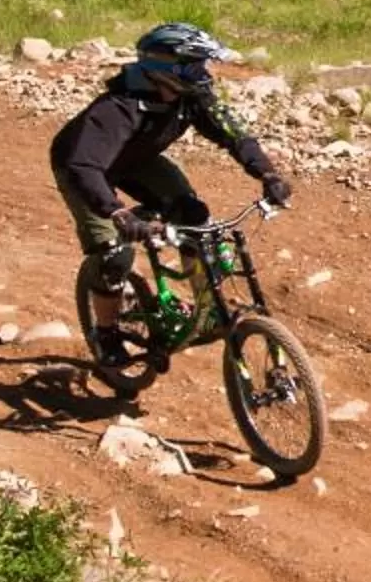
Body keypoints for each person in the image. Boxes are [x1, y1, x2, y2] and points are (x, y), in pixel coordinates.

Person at [52, 23, 291, 365]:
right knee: (114, 255)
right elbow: (84, 167)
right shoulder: (118, 108)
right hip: (82, 169)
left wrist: (267, 173)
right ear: (164, 69)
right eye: (194, 67)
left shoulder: (191, 98)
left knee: (194, 217)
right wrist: (117, 212)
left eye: (203, 66)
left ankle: (205, 308)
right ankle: (106, 334)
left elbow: (234, 134)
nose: (203, 74)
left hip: (137, 160)